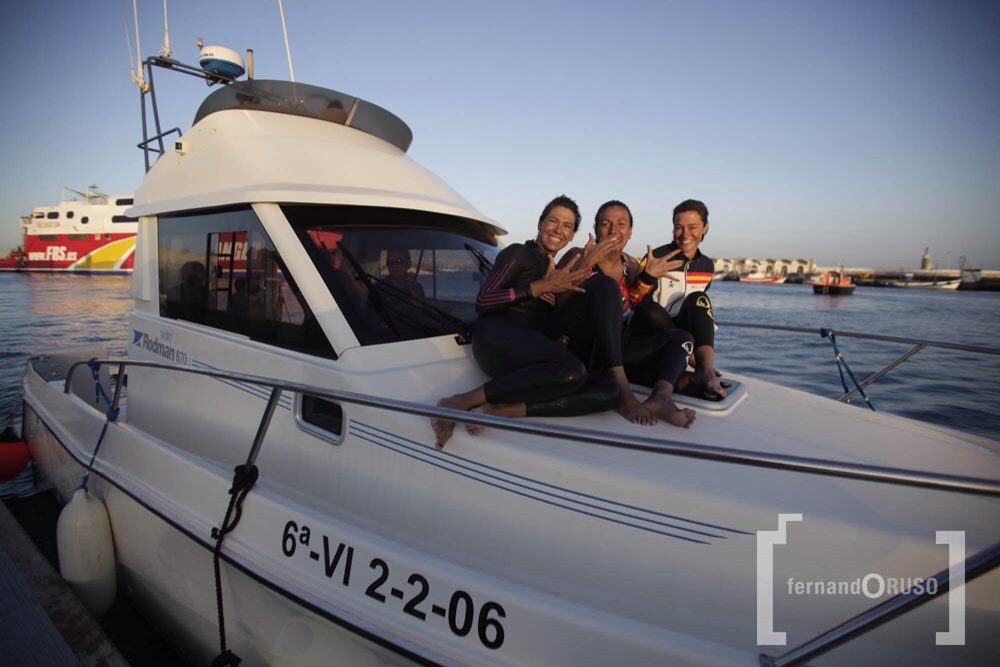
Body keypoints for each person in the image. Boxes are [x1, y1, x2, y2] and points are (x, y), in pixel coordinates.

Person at [432, 195, 620, 449]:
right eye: (553, 221)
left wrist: (584, 267)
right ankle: (459, 401)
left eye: (567, 226)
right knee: (573, 371)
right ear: (541, 223)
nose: (558, 230)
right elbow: (484, 300)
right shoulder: (519, 253)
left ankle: (500, 409)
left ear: (573, 235)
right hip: (497, 337)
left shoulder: (554, 267)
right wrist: (540, 286)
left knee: (608, 391)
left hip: (529, 352)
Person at [558, 200, 696, 428]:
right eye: (606, 224)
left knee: (683, 338)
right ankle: (624, 394)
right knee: (606, 286)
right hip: (583, 347)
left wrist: (648, 278)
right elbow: (559, 302)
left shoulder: (631, 266)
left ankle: (661, 398)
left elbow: (640, 307)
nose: (614, 230)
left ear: (630, 232)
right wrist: (585, 266)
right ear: (596, 229)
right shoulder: (577, 255)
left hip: (615, 349)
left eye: (621, 224)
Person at [650, 199, 725, 398]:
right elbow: (639, 305)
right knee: (652, 311)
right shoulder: (657, 258)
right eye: (679, 228)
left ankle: (705, 369)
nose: (685, 234)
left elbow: (697, 311)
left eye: (692, 227)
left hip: (684, 333)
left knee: (699, 299)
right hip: (655, 330)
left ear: (705, 227)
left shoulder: (707, 266)